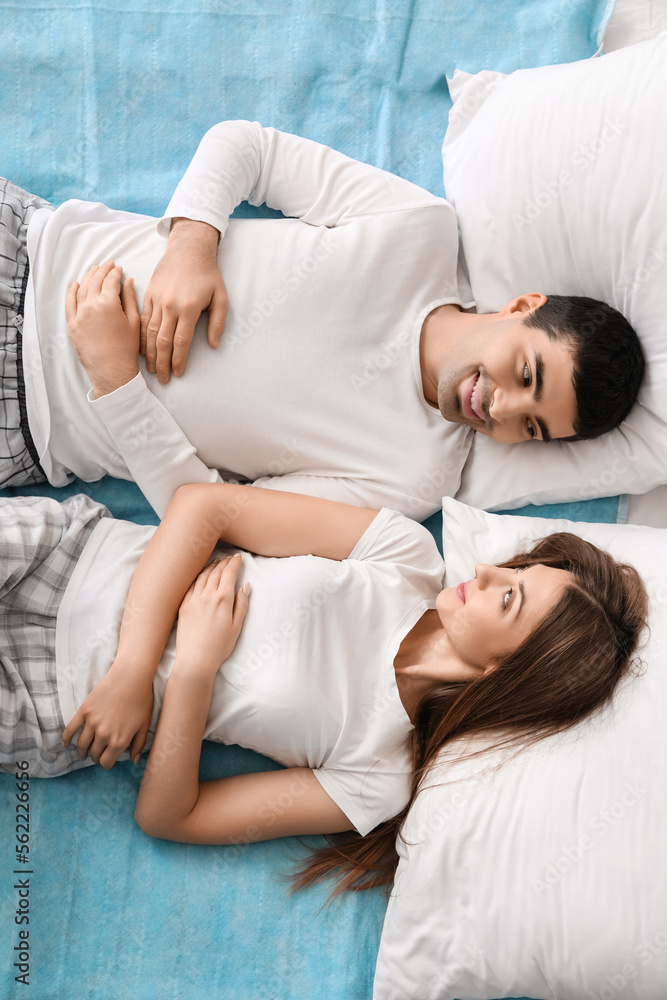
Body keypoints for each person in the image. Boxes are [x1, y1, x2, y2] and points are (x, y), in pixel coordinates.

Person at [1, 483, 647, 895]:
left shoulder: (379, 775)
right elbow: (205, 506)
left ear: (504, 675)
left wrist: (195, 668)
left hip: (51, 696)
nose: (480, 570)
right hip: (73, 551)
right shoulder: (405, 555)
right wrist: (135, 670)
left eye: (506, 597)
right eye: (514, 571)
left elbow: (170, 816)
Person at [0, 121, 645, 518]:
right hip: (31, 253)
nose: (501, 410)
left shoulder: (413, 477)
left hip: (29, 422)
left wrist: (115, 379)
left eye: (530, 428)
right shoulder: (417, 232)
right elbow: (248, 147)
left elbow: (204, 511)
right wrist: (191, 246)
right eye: (527, 375)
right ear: (523, 307)